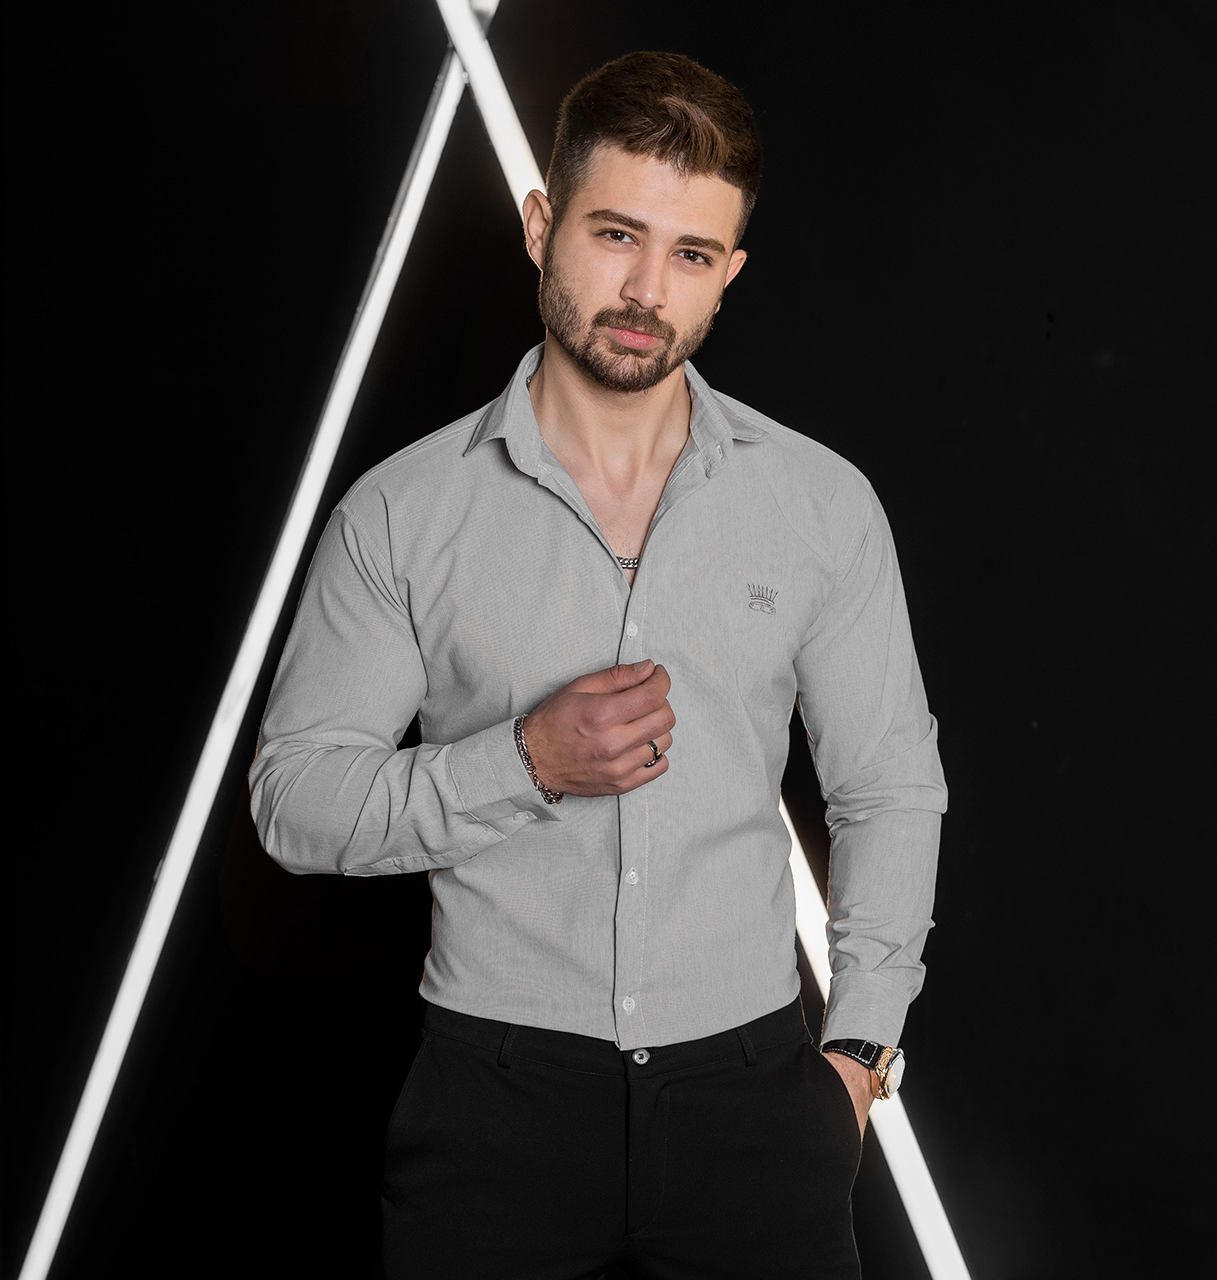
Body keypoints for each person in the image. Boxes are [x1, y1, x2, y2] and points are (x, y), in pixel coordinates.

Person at [250, 50, 946, 1280]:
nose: (643, 289)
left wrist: (857, 1054)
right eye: (615, 233)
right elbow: (293, 801)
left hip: (754, 1104)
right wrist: (522, 761)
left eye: (690, 254)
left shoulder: (820, 505)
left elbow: (887, 787)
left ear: (728, 274)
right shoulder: (400, 514)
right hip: (492, 1107)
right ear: (540, 226)